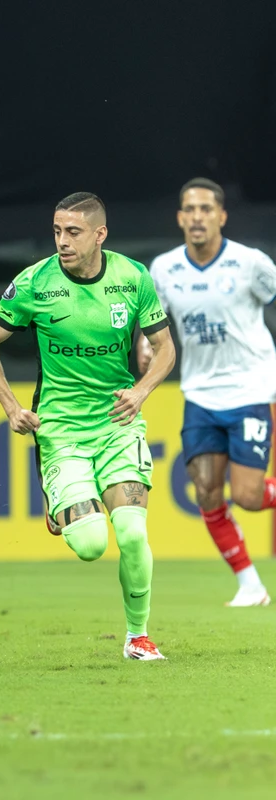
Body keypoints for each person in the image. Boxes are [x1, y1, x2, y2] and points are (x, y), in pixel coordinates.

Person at [0, 193, 176, 661]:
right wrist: (10, 407)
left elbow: (164, 348)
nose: (62, 242)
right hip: (60, 430)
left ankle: (138, 637)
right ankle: (61, 506)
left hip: (117, 424)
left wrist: (141, 391)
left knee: (130, 533)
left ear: (100, 234)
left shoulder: (132, 278)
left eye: (74, 232)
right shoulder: (34, 283)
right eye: (57, 231)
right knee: (89, 545)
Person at [137, 178, 276, 607]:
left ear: (221, 216)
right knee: (207, 491)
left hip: (250, 386)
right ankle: (250, 584)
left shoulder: (250, 263)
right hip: (199, 393)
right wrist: (145, 343)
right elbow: (152, 323)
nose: (197, 217)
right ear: (180, 218)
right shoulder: (163, 269)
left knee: (250, 497)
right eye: (189, 209)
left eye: (205, 209)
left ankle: (250, 581)